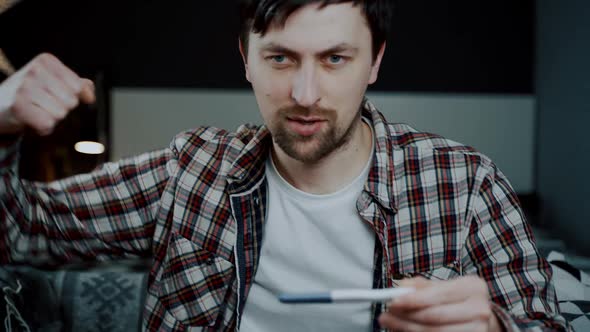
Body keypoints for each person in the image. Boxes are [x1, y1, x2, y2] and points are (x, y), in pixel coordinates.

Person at [0, 0, 571, 331]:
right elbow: (20, 231)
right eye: (280, 57)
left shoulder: (465, 184)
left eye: (334, 59)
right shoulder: (190, 171)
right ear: (246, 58)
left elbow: (545, 323)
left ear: (374, 62)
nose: (303, 93)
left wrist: (497, 328)